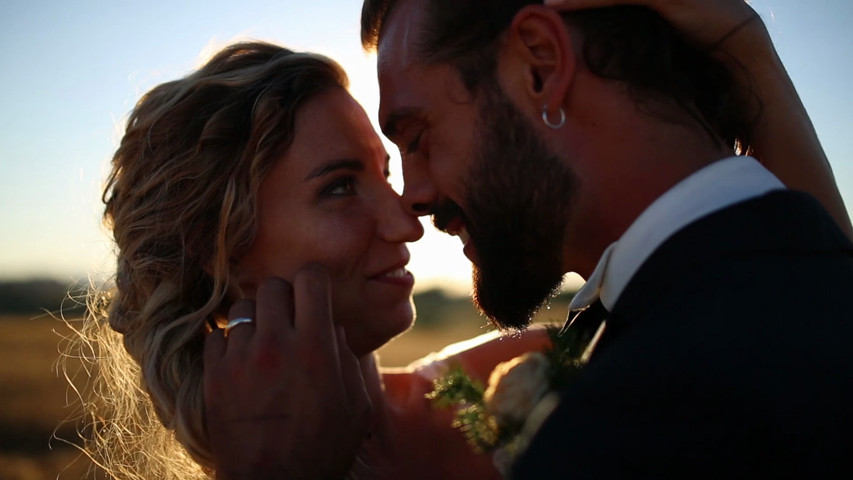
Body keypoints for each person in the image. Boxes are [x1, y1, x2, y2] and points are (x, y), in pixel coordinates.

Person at [204, 0, 853, 478]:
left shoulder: (627, 430)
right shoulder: (809, 281)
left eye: (418, 138)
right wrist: (747, 51)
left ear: (540, 68)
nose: (414, 201)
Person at [70, 41, 550, 480]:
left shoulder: (531, 373)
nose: (407, 225)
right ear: (218, 251)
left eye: (384, 175)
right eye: (339, 187)